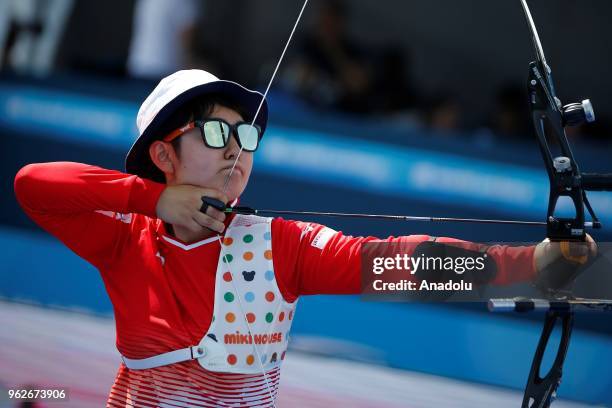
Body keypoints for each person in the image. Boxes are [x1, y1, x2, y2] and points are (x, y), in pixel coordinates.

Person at [13, 69, 595, 407]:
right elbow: (34, 184)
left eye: (246, 136)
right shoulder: (126, 237)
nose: (237, 148)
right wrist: (154, 198)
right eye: (217, 131)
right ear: (163, 153)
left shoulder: (279, 247)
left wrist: (532, 264)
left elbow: (396, 263)